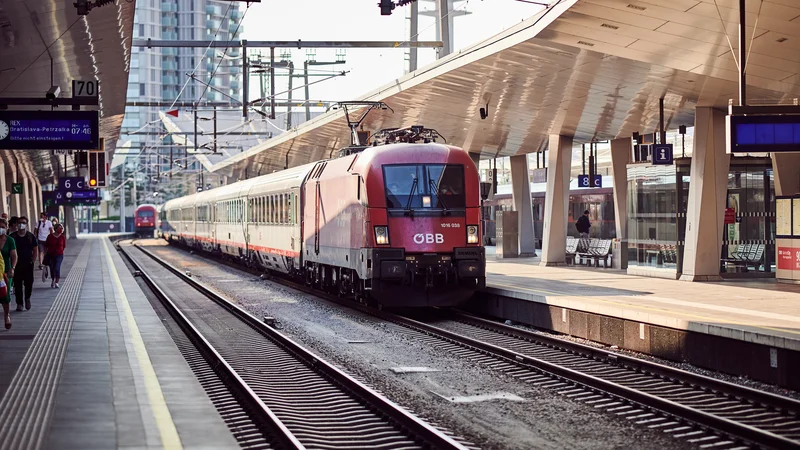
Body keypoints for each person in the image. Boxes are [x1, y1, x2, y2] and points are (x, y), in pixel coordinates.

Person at [12, 217, 37, 311]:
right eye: (19, 222)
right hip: (16, 265)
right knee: (17, 284)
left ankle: (27, 298)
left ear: (26, 224)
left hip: (28, 264)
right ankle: (19, 303)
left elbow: (35, 250)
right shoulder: (13, 237)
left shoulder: (30, 237)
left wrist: (33, 261)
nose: (21, 224)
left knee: (29, 283)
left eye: (23, 223)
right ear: (16, 224)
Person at [0, 218, 17, 303]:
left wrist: (12, 268)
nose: (0, 229)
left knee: (6, 296)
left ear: (6, 228)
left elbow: (14, 256)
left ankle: (7, 315)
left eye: (3, 227)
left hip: (6, 271)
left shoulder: (10, 240)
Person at [46, 224, 66, 288]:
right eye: (59, 228)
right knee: (52, 268)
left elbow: (64, 246)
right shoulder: (50, 236)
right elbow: (46, 245)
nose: (61, 229)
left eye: (61, 228)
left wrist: (60, 251)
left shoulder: (62, 237)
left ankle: (57, 281)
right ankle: (53, 280)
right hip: (51, 255)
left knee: (57, 268)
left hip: (59, 255)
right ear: (55, 229)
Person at [0, 223, 10, 329]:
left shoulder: (9, 240)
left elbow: (1, 263)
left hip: (0, 278)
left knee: (5, 299)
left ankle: (7, 316)